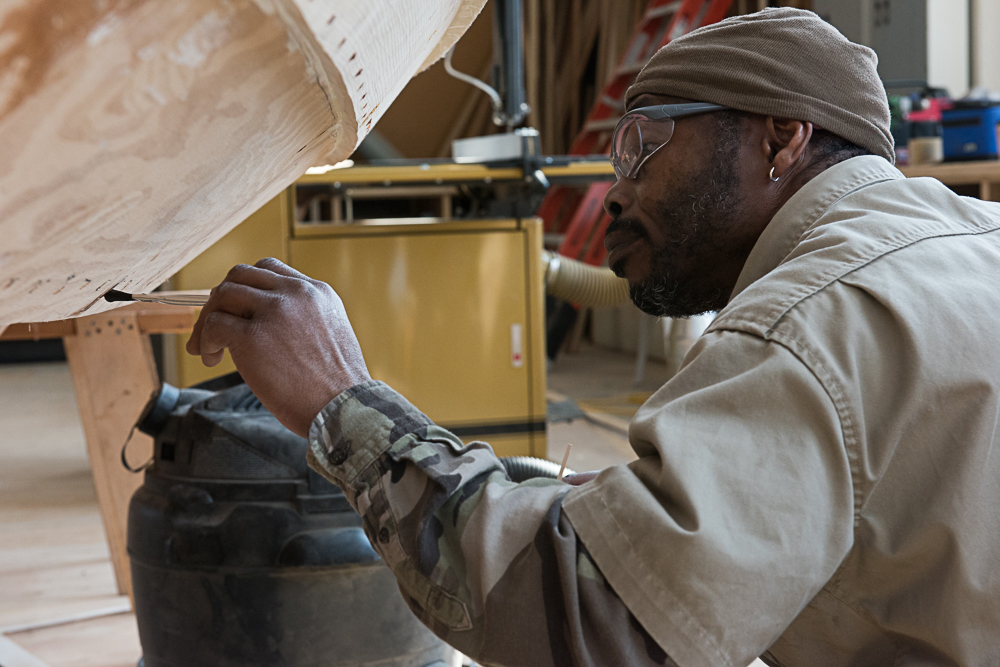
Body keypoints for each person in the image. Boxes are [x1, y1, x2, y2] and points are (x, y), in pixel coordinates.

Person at [186, 8, 1000, 666]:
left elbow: (596, 625)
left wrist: (344, 399)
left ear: (780, 139)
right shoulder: (974, 241)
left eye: (641, 147)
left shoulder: (806, 321)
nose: (614, 196)